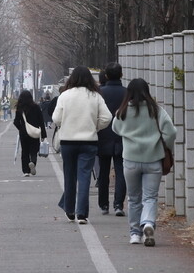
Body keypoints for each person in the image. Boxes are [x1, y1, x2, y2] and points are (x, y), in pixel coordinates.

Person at [112, 78, 176, 246]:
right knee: (150, 197)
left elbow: (115, 128)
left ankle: (135, 234)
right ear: (147, 91)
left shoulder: (123, 111)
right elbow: (171, 132)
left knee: (133, 198)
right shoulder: (156, 110)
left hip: (131, 160)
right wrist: (165, 147)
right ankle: (148, 222)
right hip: (153, 160)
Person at [52, 66, 112, 224]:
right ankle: (82, 213)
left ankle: (69, 209)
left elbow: (56, 118)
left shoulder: (65, 95)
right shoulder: (95, 96)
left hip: (68, 142)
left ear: (72, 78)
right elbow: (107, 117)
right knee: (84, 177)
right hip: (89, 141)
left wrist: (66, 124)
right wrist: (95, 126)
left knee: (69, 176)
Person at [97, 63, 127, 216]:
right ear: (121, 75)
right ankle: (118, 205)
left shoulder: (100, 93)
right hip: (122, 136)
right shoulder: (127, 93)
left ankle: (104, 205)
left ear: (106, 76)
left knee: (103, 171)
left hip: (103, 136)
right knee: (121, 171)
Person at [13, 90, 47, 177]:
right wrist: (43, 134)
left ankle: (26, 171)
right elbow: (41, 121)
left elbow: (16, 122)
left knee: (25, 152)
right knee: (34, 150)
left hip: (24, 133)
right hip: (34, 132)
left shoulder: (20, 108)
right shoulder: (36, 107)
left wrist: (21, 129)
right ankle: (33, 162)